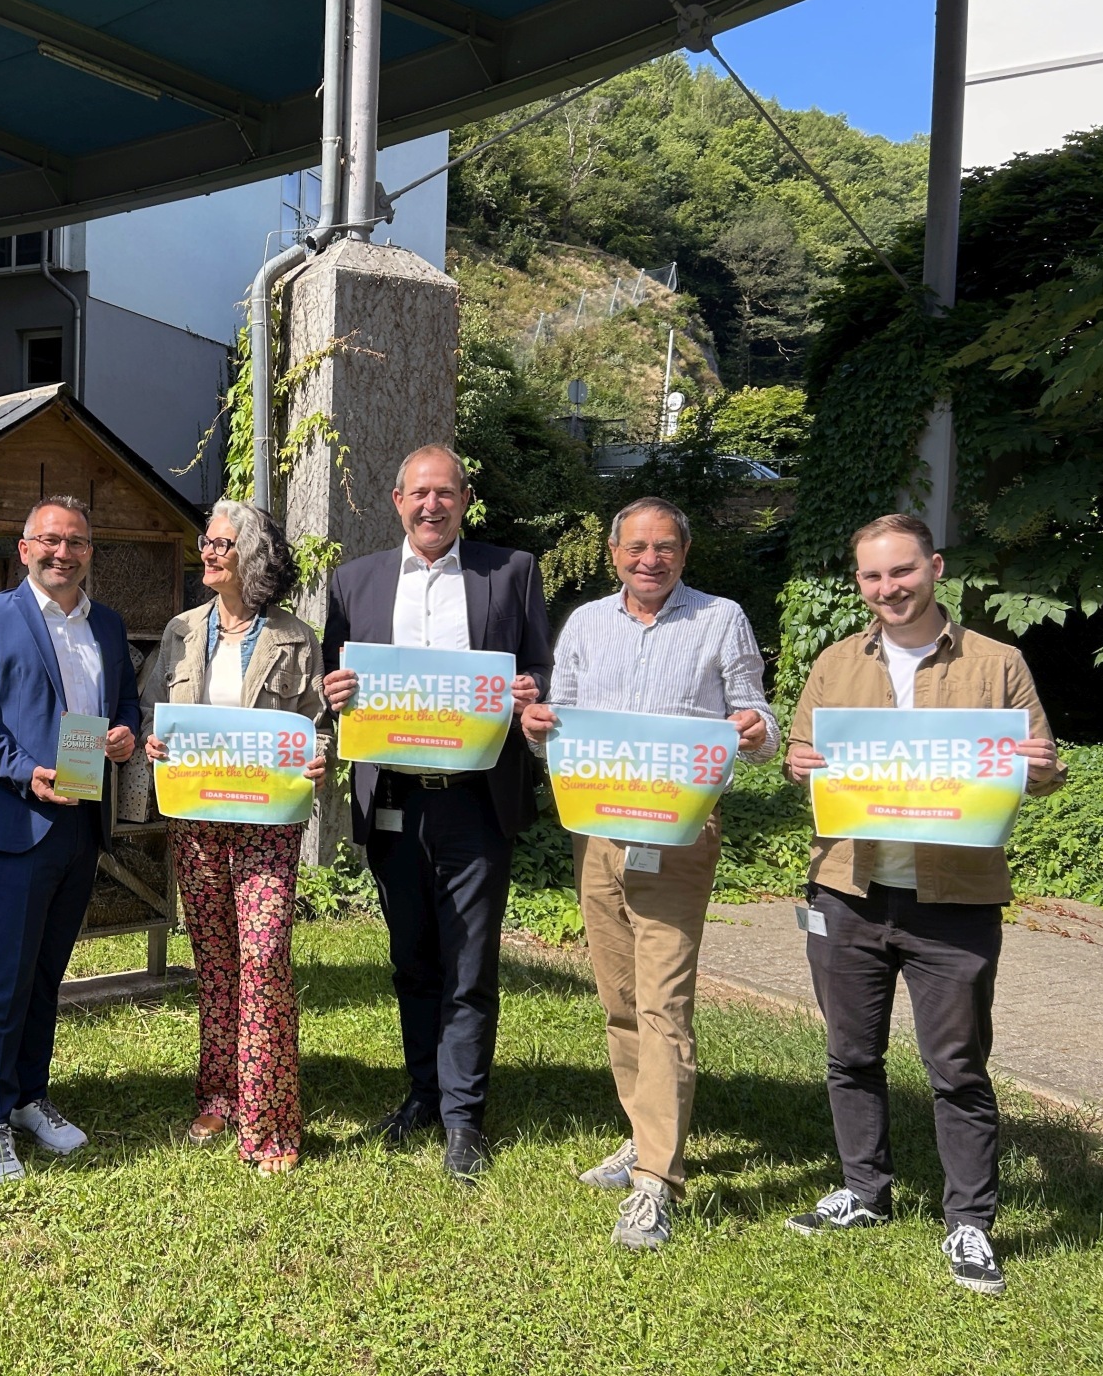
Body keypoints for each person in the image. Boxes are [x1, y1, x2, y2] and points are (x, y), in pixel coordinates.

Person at [782, 513, 1064, 1295]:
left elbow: (1040, 770)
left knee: (958, 1068)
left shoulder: (996, 662)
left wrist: (1039, 765)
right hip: (848, 892)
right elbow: (800, 757)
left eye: (902, 572)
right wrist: (800, 762)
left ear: (934, 568)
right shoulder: (836, 663)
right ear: (859, 584)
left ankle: (969, 1225)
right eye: (872, 577)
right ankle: (865, 1193)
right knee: (850, 1055)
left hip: (956, 899)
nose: (888, 589)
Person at [518, 497, 778, 1250]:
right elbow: (555, 728)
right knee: (621, 998)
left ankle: (656, 1181)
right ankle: (643, 1131)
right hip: (598, 835)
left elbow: (755, 723)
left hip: (677, 835)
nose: (650, 559)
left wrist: (756, 731)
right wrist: (537, 729)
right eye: (636, 547)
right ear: (613, 552)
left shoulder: (720, 619)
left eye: (665, 547)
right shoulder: (586, 624)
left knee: (664, 1001)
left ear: (684, 554)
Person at [322, 444, 549, 1182]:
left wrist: (528, 694)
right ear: (397, 500)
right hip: (394, 801)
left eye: (445, 493)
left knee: (470, 966)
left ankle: (464, 1119)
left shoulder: (509, 572)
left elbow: (543, 667)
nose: (432, 505)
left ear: (465, 497)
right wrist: (334, 695)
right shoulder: (354, 582)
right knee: (411, 960)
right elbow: (334, 678)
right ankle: (422, 1092)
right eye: (419, 493)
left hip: (476, 805)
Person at [0, 495, 141, 1186]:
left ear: (91, 551)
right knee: (5, 978)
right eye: (51, 541)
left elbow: (125, 703)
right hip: (14, 821)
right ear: (23, 549)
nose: (65, 553)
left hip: (81, 820)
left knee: (47, 974)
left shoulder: (108, 625)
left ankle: (29, 1097)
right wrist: (24, 771)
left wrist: (123, 733)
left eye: (78, 542)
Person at [140, 500, 330, 1176]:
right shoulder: (181, 632)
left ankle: (271, 1123)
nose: (208, 553)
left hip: (267, 826)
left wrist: (320, 754)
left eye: (221, 544)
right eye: (206, 542)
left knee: (264, 958)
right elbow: (153, 714)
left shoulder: (296, 639)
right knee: (217, 964)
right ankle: (220, 1093)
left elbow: (318, 726)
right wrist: (157, 743)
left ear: (252, 557)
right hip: (196, 824)